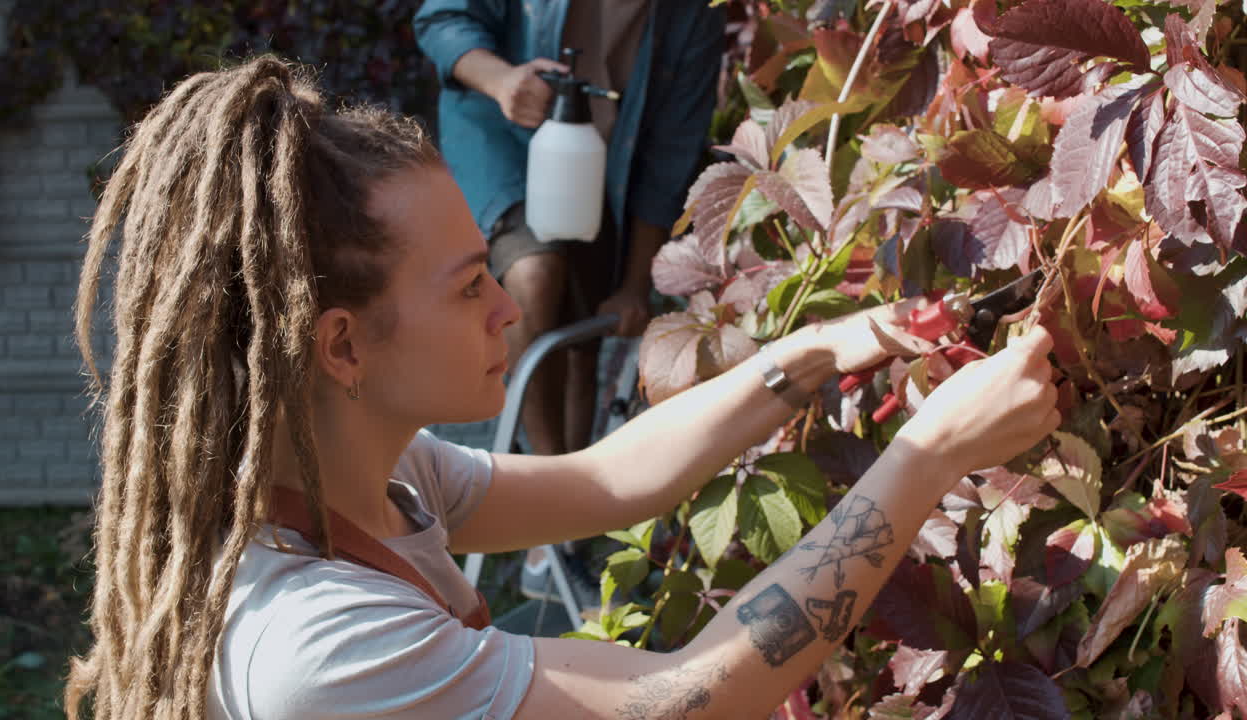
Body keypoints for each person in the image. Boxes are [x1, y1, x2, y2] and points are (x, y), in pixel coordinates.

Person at [64, 57, 1060, 720]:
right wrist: (927, 456)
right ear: (341, 346)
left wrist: (818, 349)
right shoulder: (317, 644)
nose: (507, 306)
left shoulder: (370, 475)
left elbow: (604, 479)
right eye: (467, 287)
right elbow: (682, 698)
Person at [413, 0, 726, 599]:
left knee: (584, 328)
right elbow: (442, 19)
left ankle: (562, 528)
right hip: (500, 143)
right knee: (534, 278)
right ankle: (551, 506)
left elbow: (671, 150)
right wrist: (502, 80)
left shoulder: (693, 15)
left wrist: (636, 282)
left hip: (605, 170)